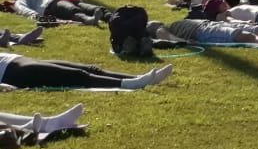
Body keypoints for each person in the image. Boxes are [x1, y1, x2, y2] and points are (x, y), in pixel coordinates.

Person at [0, 55, 172, 90]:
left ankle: (139, 78)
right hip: (15, 73)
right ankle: (129, 84)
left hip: (18, 60)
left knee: (88, 68)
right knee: (75, 76)